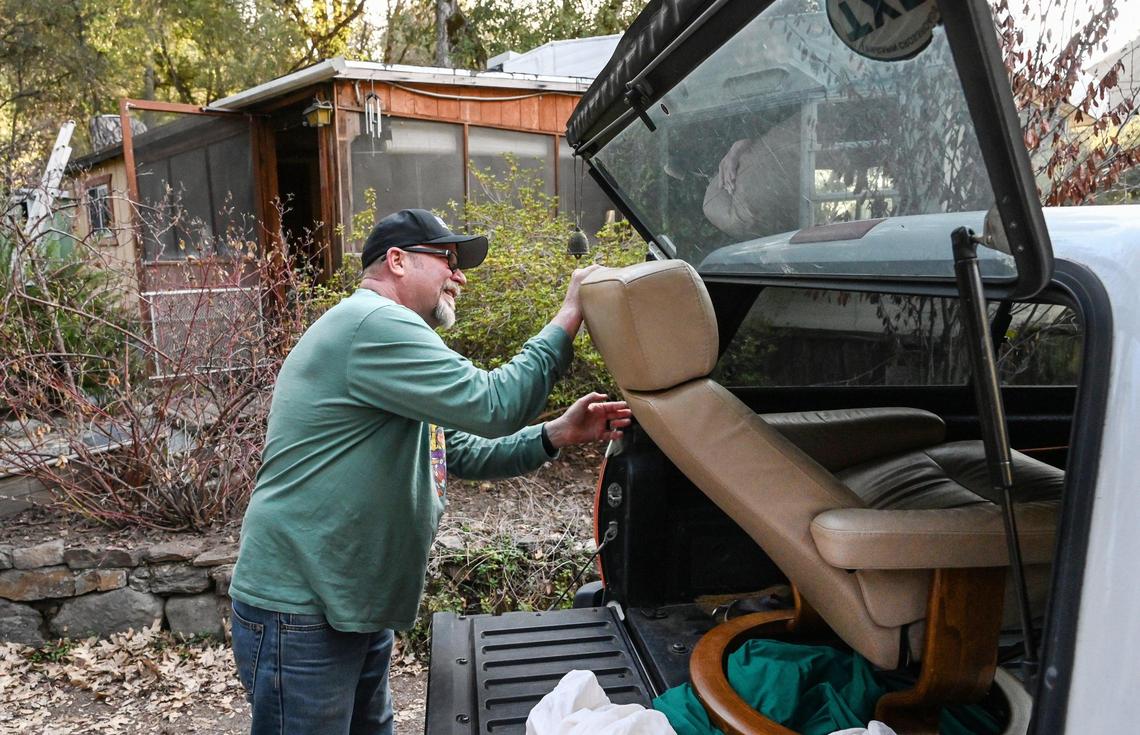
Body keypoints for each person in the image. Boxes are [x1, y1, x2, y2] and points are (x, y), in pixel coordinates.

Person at [228, 208, 631, 735]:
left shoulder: (387, 343)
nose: (460, 276)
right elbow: (493, 403)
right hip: (303, 611)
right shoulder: (373, 322)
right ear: (396, 261)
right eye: (448, 260)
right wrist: (568, 315)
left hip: (350, 606)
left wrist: (556, 433)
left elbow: (459, 450)